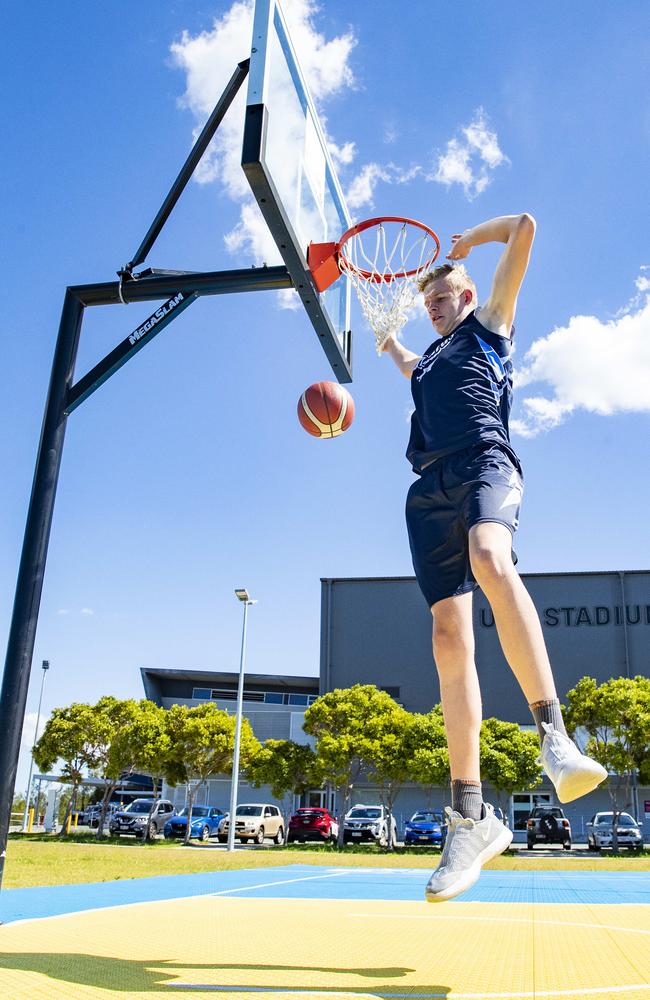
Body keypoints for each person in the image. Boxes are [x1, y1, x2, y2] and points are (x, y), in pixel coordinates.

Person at [382, 214, 607, 902]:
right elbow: (402, 354)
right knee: (448, 639)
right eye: (429, 300)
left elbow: (529, 227)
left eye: (445, 294)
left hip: (486, 464)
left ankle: (554, 738)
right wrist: (369, 313)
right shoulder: (426, 363)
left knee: (489, 553)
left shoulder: (490, 326)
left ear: (472, 296)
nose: (436, 303)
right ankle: (470, 817)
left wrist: (465, 245)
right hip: (428, 492)